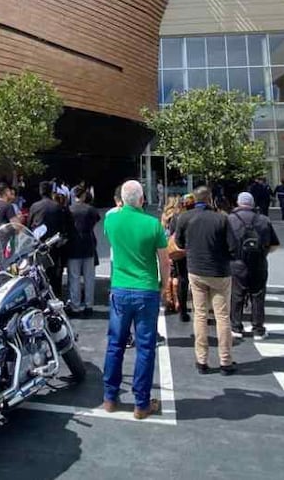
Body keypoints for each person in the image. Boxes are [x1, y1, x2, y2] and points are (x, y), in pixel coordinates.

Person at [102, 180, 169, 420]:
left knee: (115, 344)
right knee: (145, 347)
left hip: (120, 288)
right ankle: (141, 403)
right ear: (142, 199)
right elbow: (164, 261)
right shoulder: (153, 224)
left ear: (121, 199)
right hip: (146, 289)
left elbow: (112, 219)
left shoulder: (111, 221)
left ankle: (110, 398)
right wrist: (164, 285)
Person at [174, 186, 237, 375]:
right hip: (219, 271)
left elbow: (179, 243)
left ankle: (202, 360)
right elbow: (233, 248)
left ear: (194, 199)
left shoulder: (184, 218)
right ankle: (225, 361)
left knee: (200, 315)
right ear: (210, 199)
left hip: (196, 270)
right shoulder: (221, 219)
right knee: (222, 316)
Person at [228, 192, 280, 339]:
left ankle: (236, 327)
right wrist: (263, 253)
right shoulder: (263, 220)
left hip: (237, 263)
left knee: (236, 294)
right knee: (257, 295)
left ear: (238, 203)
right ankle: (258, 328)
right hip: (259, 263)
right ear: (252, 203)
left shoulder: (230, 219)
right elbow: (274, 244)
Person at [29, 181, 67, 297]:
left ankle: (41, 295)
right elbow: (63, 225)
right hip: (54, 243)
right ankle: (56, 295)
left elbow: (29, 224)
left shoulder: (34, 206)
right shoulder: (57, 206)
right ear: (51, 191)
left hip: (39, 244)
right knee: (55, 272)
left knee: (39, 271)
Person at [66, 186, 101, 315]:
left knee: (74, 277)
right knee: (89, 277)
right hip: (88, 245)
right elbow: (96, 220)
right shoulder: (90, 209)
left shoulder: (69, 210)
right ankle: (88, 305)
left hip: (73, 246)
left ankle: (75, 306)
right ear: (84, 196)